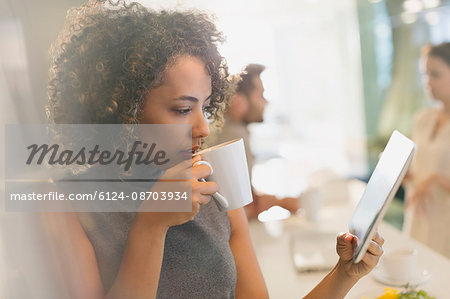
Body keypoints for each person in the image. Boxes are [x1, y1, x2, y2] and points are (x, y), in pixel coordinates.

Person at [42, 1, 384, 298]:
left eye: (205, 107)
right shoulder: (67, 207)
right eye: (181, 109)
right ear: (120, 112)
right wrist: (150, 225)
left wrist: (345, 275)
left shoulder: (217, 192)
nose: (204, 128)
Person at [208, 64, 299, 219]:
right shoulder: (233, 136)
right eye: (261, 95)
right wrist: (280, 202)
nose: (266, 103)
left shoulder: (226, 130)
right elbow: (236, 208)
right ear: (239, 102)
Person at [404, 42, 450, 258]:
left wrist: (437, 179)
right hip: (418, 218)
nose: (428, 82)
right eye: (424, 74)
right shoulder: (423, 118)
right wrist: (403, 174)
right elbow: (417, 169)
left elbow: (432, 176)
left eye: (435, 74)